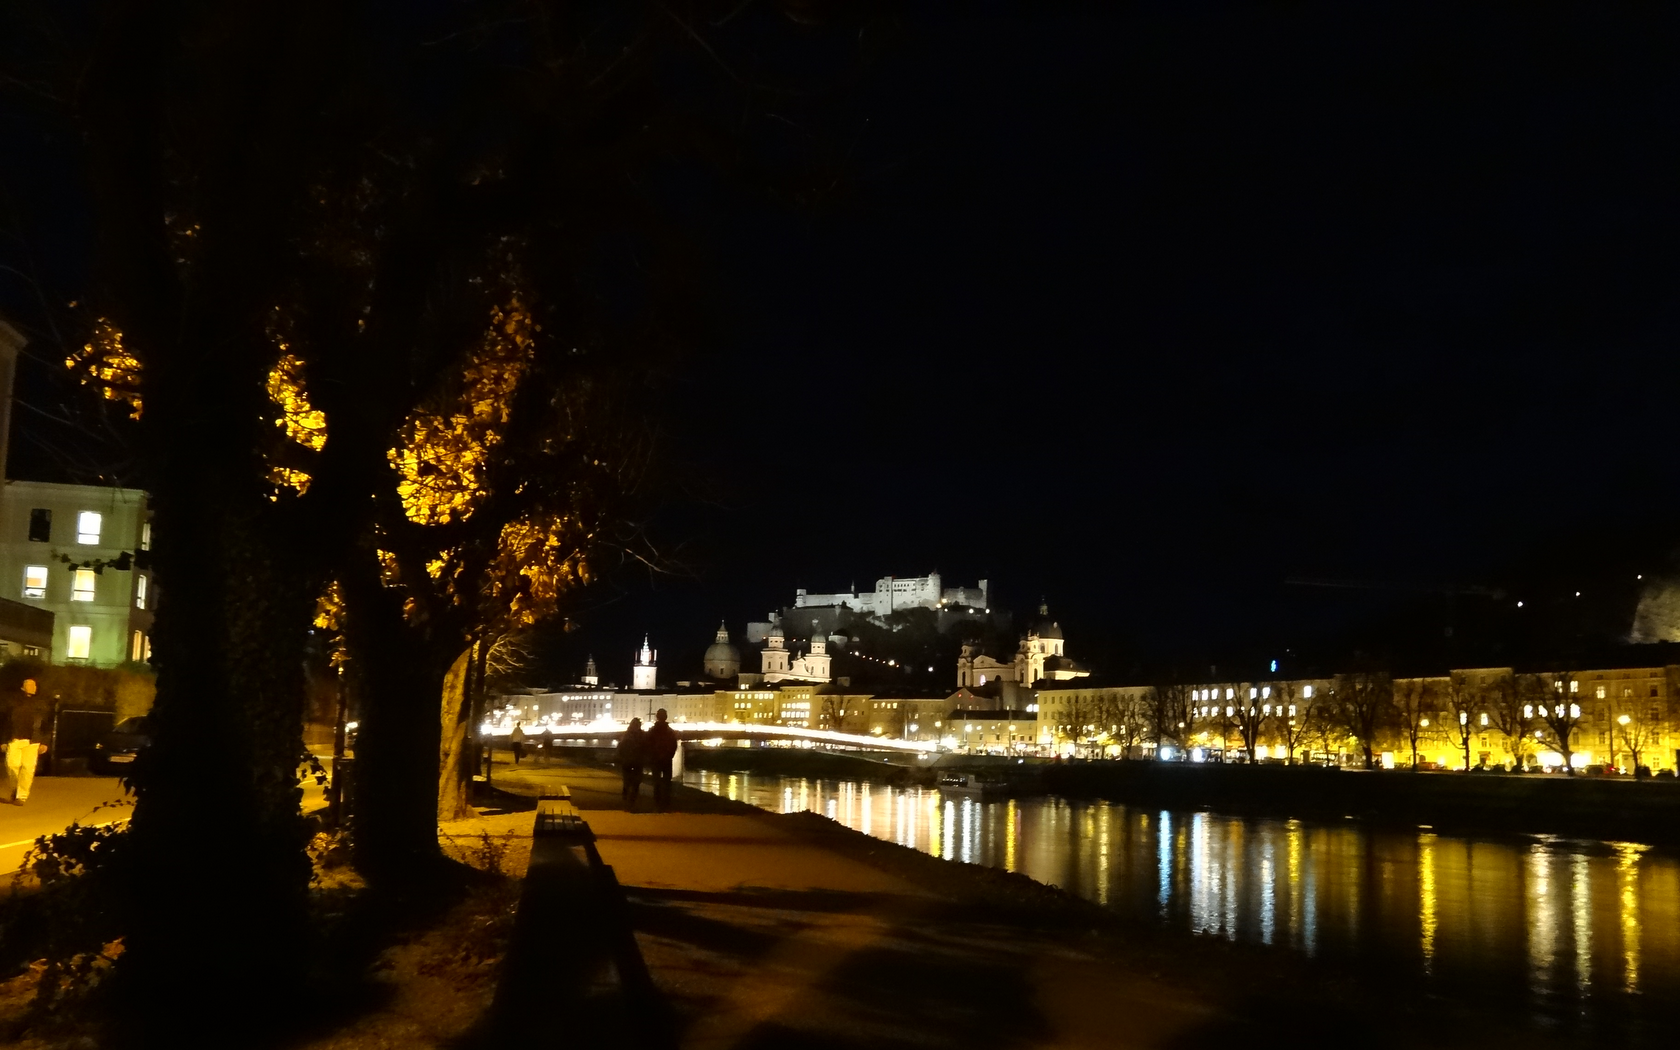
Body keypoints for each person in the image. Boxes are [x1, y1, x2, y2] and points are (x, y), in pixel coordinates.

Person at [5, 679, 49, 806]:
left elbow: (46, 725)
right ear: (22, 687)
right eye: (29, 685)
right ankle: (15, 789)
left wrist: (44, 742)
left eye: (34, 685)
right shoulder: (12, 702)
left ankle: (21, 796)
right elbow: (5, 722)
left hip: (33, 741)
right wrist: (3, 741)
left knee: (28, 768)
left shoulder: (41, 704)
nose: (33, 687)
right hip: (14, 739)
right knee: (12, 765)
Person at [645, 708, 679, 813]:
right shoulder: (670, 732)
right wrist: (669, 755)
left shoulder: (652, 730)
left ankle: (657, 802)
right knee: (667, 782)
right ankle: (666, 802)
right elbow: (674, 745)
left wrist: (651, 755)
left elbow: (647, 743)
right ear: (666, 717)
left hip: (655, 759)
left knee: (656, 782)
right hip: (666, 759)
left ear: (657, 717)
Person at [619, 717, 647, 808]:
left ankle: (626, 792)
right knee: (636, 780)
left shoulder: (626, 735)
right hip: (637, 761)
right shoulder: (642, 735)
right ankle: (633, 796)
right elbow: (646, 747)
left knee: (627, 779)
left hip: (627, 760)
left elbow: (621, 747)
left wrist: (621, 757)